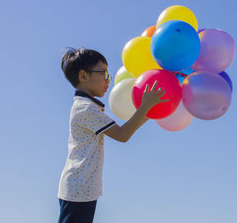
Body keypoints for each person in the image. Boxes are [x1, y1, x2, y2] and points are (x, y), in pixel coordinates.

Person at [57, 47, 168, 223]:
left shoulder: (88, 106)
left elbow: (125, 131)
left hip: (83, 188)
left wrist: (151, 110)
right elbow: (123, 135)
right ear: (83, 76)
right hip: (79, 189)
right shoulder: (85, 109)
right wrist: (145, 107)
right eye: (104, 74)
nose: (108, 80)